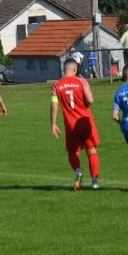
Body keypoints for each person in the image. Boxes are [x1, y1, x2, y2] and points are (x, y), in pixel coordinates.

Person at [50, 58, 101, 190]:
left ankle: (78, 171)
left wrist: (54, 123)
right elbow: (90, 100)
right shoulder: (81, 81)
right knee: (91, 150)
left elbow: (54, 105)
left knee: (73, 152)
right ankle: (95, 182)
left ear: (64, 69)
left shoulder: (56, 85)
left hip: (71, 125)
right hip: (85, 122)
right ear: (75, 69)